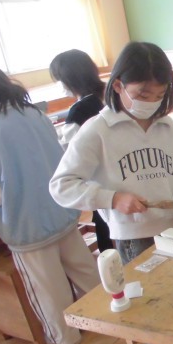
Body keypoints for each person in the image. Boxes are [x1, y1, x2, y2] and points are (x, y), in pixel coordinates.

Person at [49, 41, 173, 344]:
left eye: (159, 94)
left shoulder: (167, 127)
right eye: (142, 93)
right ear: (118, 85)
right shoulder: (97, 130)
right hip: (136, 241)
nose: (150, 102)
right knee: (153, 314)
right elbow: (61, 186)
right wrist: (112, 198)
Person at [0, 64, 100, 344]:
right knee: (86, 271)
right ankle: (106, 318)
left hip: (27, 227)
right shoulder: (33, 113)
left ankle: (65, 337)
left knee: (48, 288)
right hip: (62, 211)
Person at [49, 48, 113, 252]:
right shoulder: (113, 92)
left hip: (101, 184)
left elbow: (68, 154)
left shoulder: (78, 111)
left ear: (69, 79)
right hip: (126, 172)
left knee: (108, 237)